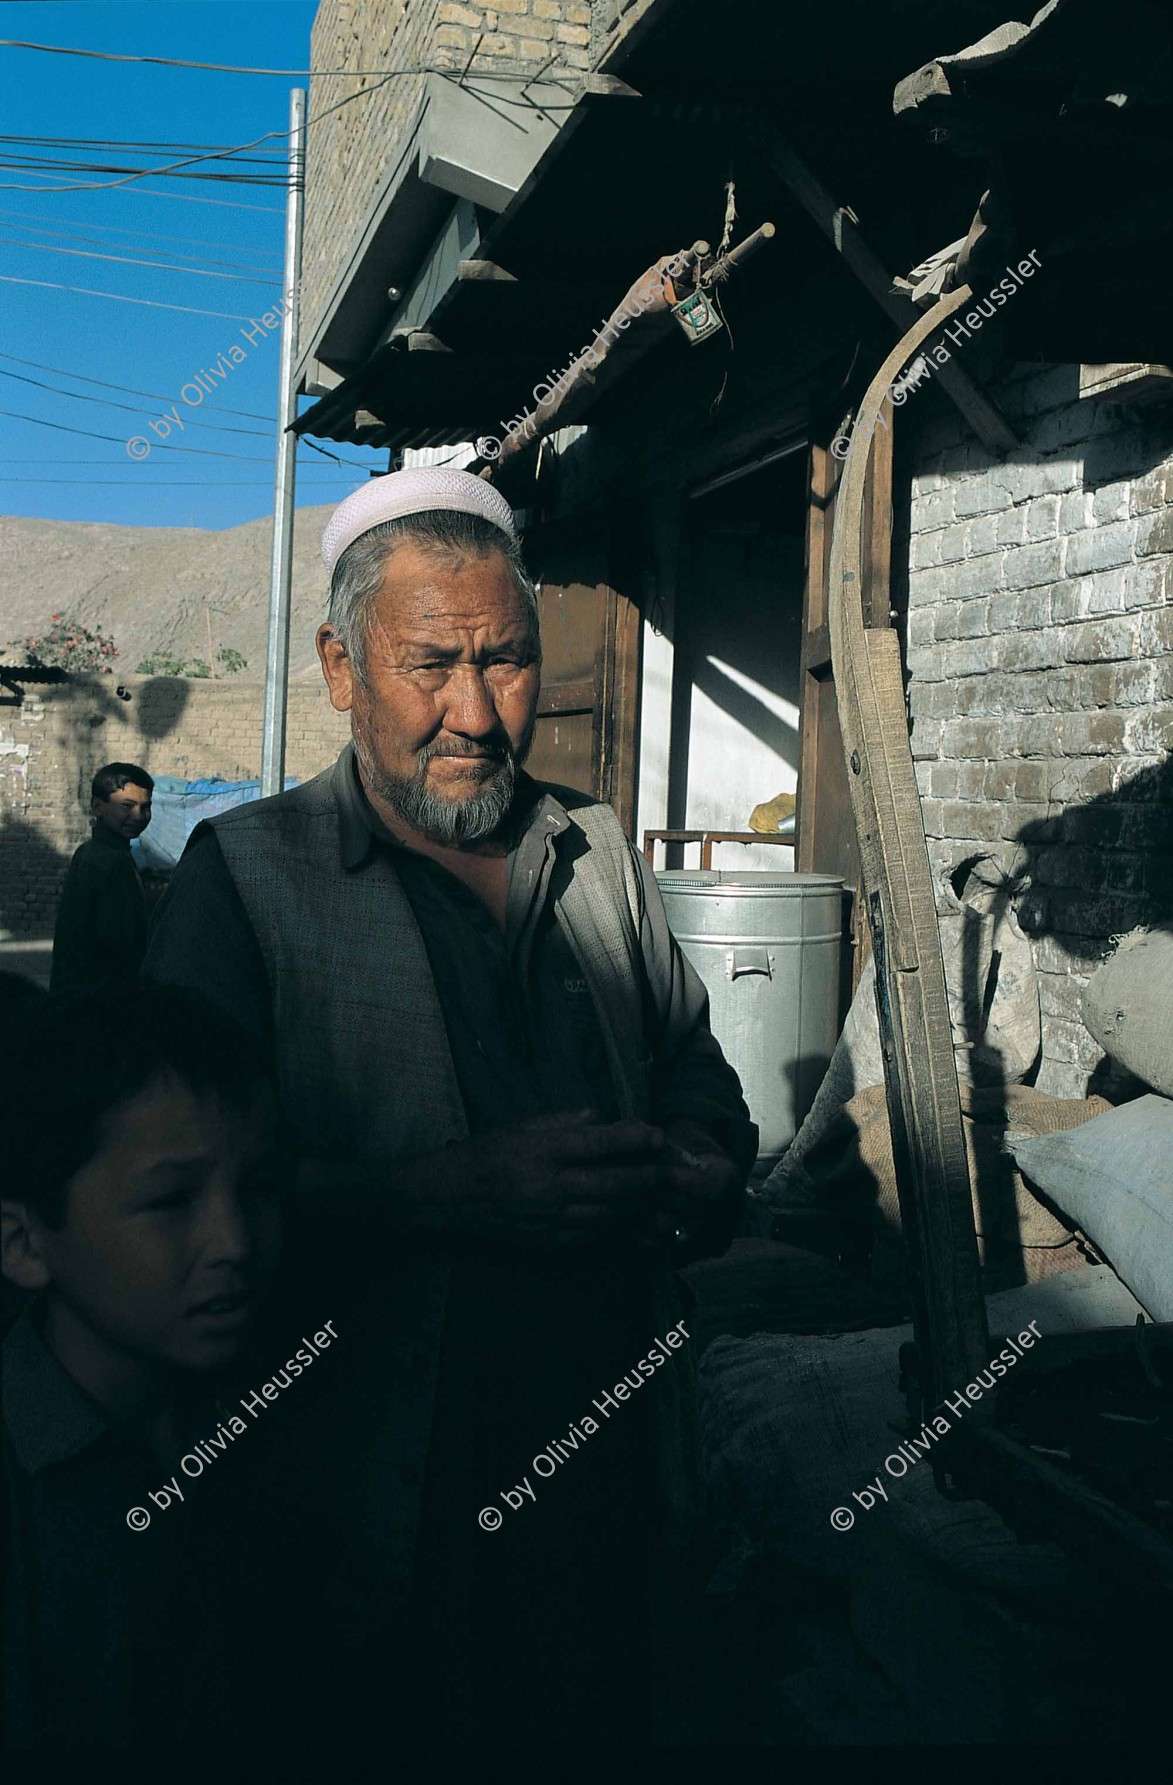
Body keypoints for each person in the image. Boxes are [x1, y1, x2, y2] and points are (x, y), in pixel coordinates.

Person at [144, 466, 757, 1744]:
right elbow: (171, 1207)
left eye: (510, 663)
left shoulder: (600, 861)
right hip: (358, 1501)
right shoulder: (245, 882)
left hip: (603, 1481)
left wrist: (701, 1160)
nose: (476, 713)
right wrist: (432, 1197)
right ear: (340, 666)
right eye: (432, 665)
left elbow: (702, 1079)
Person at [1, 982, 283, 1752]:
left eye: (258, 1188)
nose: (233, 1241)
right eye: (169, 1201)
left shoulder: (277, 1418)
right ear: (24, 1244)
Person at [50, 763, 154, 996]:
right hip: (98, 996)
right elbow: (117, 942)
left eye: (145, 807)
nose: (138, 816)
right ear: (98, 807)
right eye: (126, 806)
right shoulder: (104, 860)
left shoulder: (105, 853)